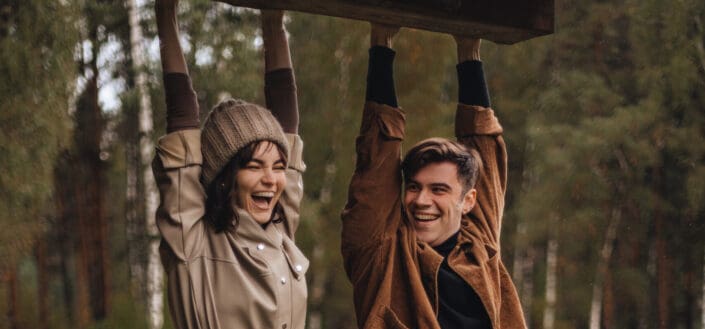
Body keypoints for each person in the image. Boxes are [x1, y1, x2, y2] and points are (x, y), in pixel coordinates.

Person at [341, 24, 527, 329]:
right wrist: (381, 42)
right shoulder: (383, 253)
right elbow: (377, 155)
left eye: (439, 189)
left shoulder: (479, 245)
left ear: (468, 201)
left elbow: (485, 147)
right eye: (414, 187)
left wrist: (469, 49)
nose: (421, 201)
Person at [152, 1, 308, 328]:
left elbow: (288, 125)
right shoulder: (192, 239)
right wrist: (165, 15)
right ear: (226, 177)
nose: (272, 179)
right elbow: (181, 114)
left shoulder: (281, 226)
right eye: (253, 166)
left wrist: (274, 20)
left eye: (278, 167)